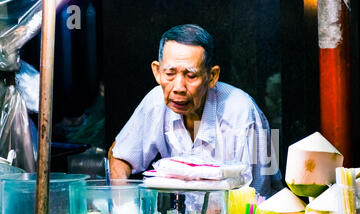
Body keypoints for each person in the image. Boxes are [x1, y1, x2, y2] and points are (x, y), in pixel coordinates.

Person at [109, 24, 281, 198]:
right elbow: (120, 156)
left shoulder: (242, 111)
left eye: (191, 76)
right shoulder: (155, 102)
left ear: (212, 76)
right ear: (157, 71)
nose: (178, 88)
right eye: (169, 73)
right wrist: (124, 210)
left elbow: (256, 198)